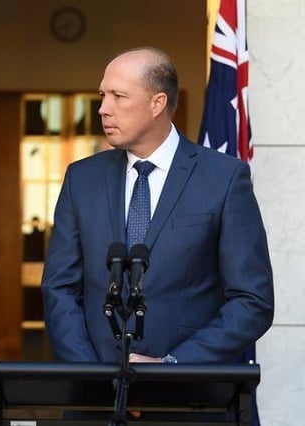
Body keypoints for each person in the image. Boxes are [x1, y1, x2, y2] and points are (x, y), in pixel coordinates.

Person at [41, 47, 274, 367]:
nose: (103, 109)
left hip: (188, 400)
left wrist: (173, 366)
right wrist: (91, 374)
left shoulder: (224, 178)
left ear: (157, 103)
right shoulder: (81, 178)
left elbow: (252, 301)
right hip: (93, 397)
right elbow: (59, 289)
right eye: (102, 95)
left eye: (118, 96)